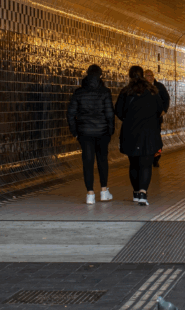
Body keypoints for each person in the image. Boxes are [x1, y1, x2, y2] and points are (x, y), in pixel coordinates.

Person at [115, 66, 164, 206]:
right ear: (143, 75)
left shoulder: (125, 92)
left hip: (130, 132)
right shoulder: (153, 91)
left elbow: (118, 111)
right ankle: (143, 193)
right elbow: (160, 110)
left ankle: (136, 192)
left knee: (134, 163)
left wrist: (129, 118)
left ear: (130, 76)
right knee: (146, 164)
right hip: (149, 132)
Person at [67, 64, 115, 205]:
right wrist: (110, 131)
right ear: (100, 76)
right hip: (102, 133)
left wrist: (75, 132)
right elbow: (110, 114)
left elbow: (70, 114)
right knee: (102, 161)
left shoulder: (79, 93)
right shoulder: (105, 92)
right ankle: (104, 191)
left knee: (87, 162)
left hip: (85, 133)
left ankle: (90, 194)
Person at [144, 69, 170, 167]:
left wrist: (164, 110)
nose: (150, 77)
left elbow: (166, 98)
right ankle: (148, 156)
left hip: (156, 118)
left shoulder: (159, 86)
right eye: (147, 75)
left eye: (151, 75)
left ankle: (156, 157)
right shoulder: (142, 87)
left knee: (156, 138)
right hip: (145, 119)